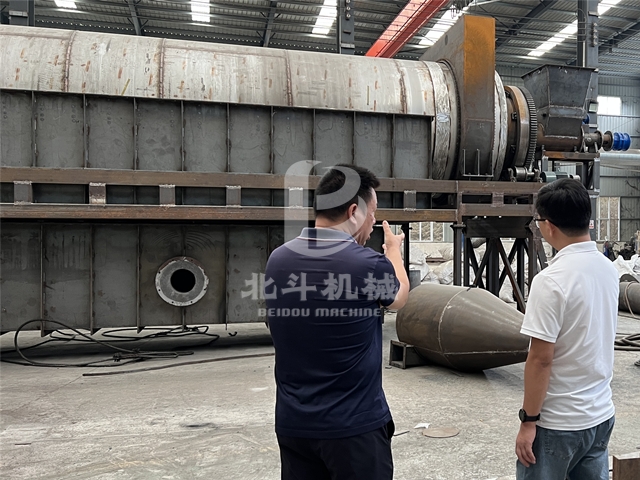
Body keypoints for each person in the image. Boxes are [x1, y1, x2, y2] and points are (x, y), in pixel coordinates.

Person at [265, 164, 410, 480]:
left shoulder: (278, 259)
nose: (373, 222)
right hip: (353, 428)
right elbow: (399, 297)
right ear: (354, 212)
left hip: (294, 425)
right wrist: (393, 251)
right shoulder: (367, 264)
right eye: (372, 213)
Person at [515, 179, 619, 480]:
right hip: (600, 416)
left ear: (548, 226)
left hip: (558, 424)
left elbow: (540, 359)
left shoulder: (551, 281)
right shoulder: (608, 269)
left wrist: (528, 421)